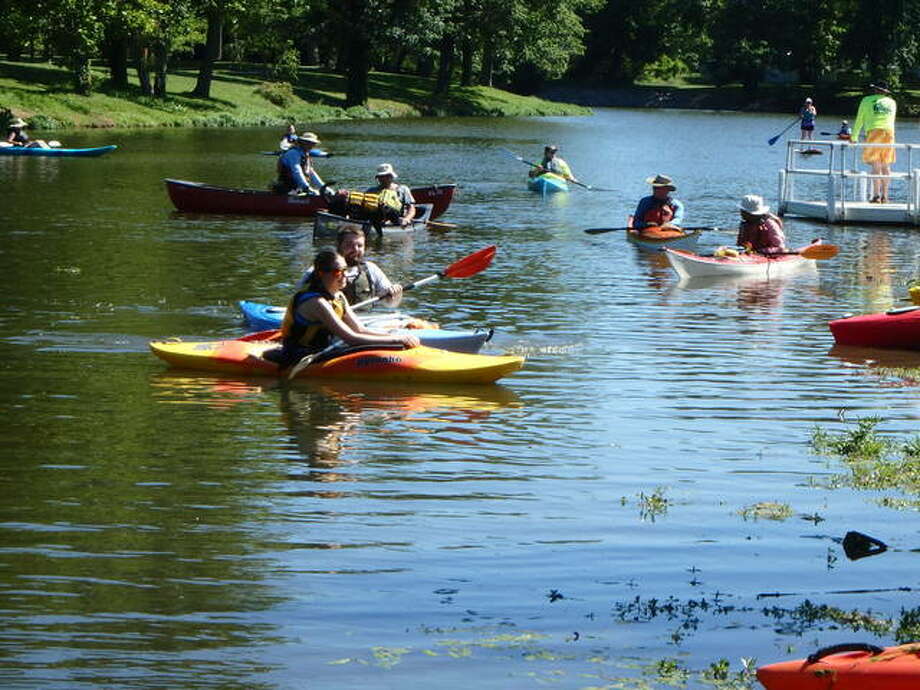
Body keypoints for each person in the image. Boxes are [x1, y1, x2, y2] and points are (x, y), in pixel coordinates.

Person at [274, 249, 419, 368]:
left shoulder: (338, 296)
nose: (345, 276)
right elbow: (351, 338)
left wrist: (396, 338)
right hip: (298, 354)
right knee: (369, 350)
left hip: (320, 351)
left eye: (345, 270)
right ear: (321, 273)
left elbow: (360, 330)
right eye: (338, 272)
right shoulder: (316, 302)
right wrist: (396, 341)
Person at [298, 226, 403, 304]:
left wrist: (394, 294)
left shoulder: (371, 269)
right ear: (338, 246)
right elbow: (300, 300)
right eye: (349, 245)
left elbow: (391, 304)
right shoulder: (319, 270)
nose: (355, 250)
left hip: (364, 321)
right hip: (330, 321)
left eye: (360, 246)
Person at [850, 82, 897, 203]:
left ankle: (876, 195)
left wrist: (854, 137)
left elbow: (860, 119)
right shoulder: (892, 102)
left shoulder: (866, 100)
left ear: (875, 90)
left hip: (874, 131)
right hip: (889, 133)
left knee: (876, 164)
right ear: (886, 92)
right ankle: (885, 196)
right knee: (886, 165)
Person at [366, 163, 415, 227]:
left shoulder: (403, 189)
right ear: (378, 178)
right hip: (376, 219)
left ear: (391, 176)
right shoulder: (371, 191)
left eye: (386, 176)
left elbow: (411, 208)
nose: (383, 179)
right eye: (381, 176)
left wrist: (407, 219)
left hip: (397, 220)